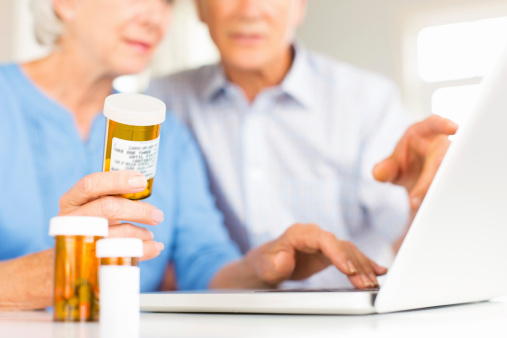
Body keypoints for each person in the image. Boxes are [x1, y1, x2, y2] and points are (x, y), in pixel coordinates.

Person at [0, 0, 385, 311]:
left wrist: (265, 265)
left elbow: (202, 261)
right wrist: (37, 278)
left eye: (167, 1)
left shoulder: (165, 132)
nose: (154, 17)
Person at [149, 0, 458, 288]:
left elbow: (416, 253)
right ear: (199, 8)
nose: (249, 10)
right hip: (221, 318)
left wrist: (423, 197)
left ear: (300, 6)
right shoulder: (165, 101)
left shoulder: (367, 102)